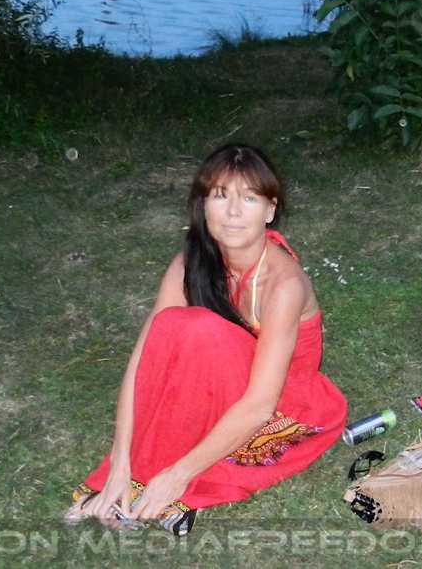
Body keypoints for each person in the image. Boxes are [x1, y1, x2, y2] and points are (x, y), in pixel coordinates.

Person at [63, 143, 347, 535]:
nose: (233, 212)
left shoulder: (283, 284)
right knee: (177, 327)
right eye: (220, 196)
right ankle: (132, 481)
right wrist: (119, 462)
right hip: (225, 380)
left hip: (282, 401)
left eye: (249, 198)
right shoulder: (190, 263)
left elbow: (260, 406)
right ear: (203, 205)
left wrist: (177, 475)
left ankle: (161, 484)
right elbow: (144, 363)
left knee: (200, 329)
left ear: (270, 210)